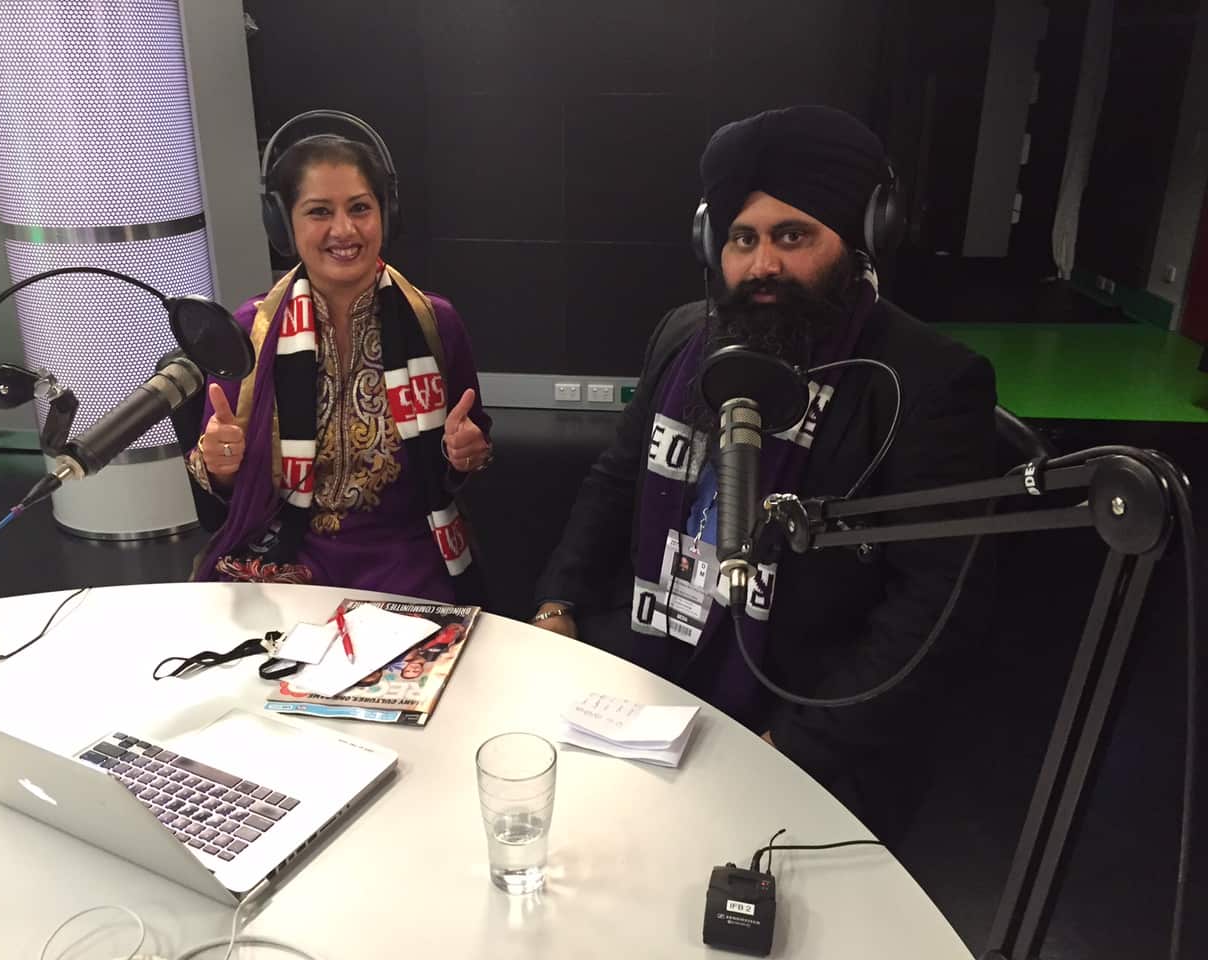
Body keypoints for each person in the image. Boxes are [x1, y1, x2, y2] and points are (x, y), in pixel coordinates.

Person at [532, 106, 996, 843]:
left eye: (793, 236)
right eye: (742, 239)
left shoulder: (928, 382)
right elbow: (617, 479)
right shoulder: (685, 335)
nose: (762, 266)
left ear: (864, 237)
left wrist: (793, 749)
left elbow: (931, 608)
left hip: (804, 724)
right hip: (653, 673)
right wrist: (557, 605)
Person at [179, 121, 491, 603]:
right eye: (319, 211)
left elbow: (467, 455)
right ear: (284, 225)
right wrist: (221, 465)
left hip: (406, 554)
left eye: (360, 208)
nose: (344, 230)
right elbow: (217, 477)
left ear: (386, 213)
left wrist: (465, 453)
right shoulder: (251, 330)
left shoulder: (437, 323)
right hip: (282, 551)